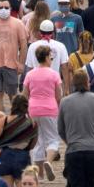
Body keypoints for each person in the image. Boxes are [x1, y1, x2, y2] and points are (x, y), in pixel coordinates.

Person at [23, 45, 64, 178]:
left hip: (33, 109)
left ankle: (39, 173)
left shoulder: (30, 74)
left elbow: (24, 95)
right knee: (53, 139)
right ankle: (49, 161)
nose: (51, 59)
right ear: (46, 57)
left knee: (38, 141)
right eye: (50, 57)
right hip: (50, 109)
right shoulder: (54, 74)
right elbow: (59, 96)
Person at [0, 94, 37, 187]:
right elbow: (32, 145)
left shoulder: (4, 120)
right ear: (26, 106)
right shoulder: (32, 123)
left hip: (4, 156)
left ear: (12, 105)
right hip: (22, 156)